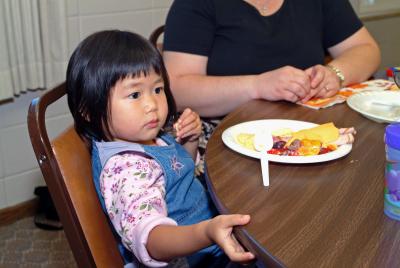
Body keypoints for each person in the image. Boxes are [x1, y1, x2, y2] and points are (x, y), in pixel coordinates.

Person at [66, 30, 255, 267]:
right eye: (135, 94)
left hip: (209, 236)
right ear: (89, 110)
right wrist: (206, 232)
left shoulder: (146, 138)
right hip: (192, 258)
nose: (151, 104)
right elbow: (151, 240)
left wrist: (190, 140)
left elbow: (175, 177)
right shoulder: (126, 169)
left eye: (157, 89)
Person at [162, 0, 381, 159]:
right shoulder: (196, 5)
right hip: (223, 141)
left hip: (307, 131)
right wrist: (257, 86)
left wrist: (335, 74)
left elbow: (366, 49)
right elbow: (178, 88)